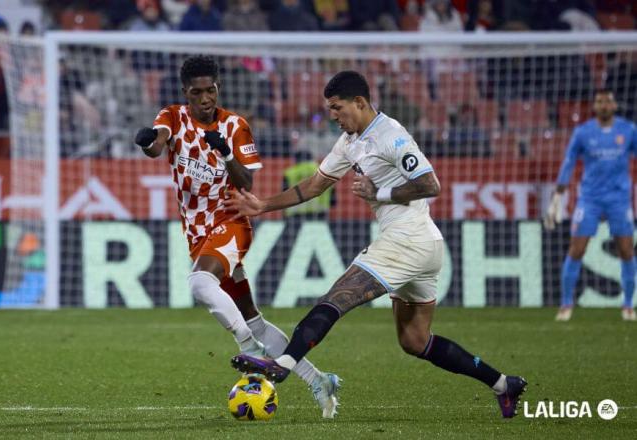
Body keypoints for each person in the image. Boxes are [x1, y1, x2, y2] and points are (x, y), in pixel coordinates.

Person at [225, 70, 527, 418]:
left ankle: (282, 365)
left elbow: (431, 184)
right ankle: (504, 384)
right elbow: (314, 185)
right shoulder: (350, 142)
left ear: (360, 102)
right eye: (329, 108)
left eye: (337, 108)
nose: (333, 115)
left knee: (337, 297)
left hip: (408, 240)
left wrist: (379, 192)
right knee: (415, 341)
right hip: (424, 246)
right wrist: (263, 205)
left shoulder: (391, 136)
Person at [133, 55, 340, 418]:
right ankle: (318, 380)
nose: (204, 98)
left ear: (218, 88)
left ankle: (251, 348)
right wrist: (148, 141)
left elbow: (247, 183)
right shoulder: (173, 117)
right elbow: (157, 144)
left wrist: (225, 152)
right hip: (197, 232)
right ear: (186, 93)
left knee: (200, 283)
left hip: (231, 222)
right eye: (196, 92)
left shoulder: (236, 126)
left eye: (210, 90)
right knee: (253, 316)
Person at [544, 89, 637, 322]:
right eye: (599, 101)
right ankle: (566, 304)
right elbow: (568, 162)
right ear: (594, 106)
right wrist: (557, 199)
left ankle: (628, 305)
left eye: (607, 101)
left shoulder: (628, 130)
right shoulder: (583, 132)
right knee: (577, 249)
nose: (603, 105)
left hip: (619, 198)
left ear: (614, 105)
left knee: (626, 250)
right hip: (590, 199)